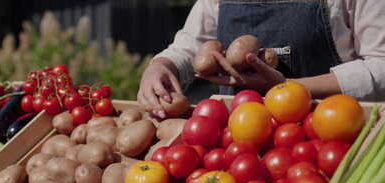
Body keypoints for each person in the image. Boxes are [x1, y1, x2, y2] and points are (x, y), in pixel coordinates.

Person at [138, 0, 385, 118]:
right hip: (237, 137)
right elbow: (190, 45)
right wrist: (162, 65)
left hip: (327, 132)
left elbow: (381, 67)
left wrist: (286, 90)